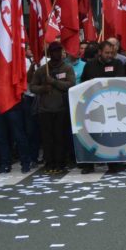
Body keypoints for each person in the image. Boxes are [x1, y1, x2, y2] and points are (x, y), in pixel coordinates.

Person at [79, 41, 126, 174]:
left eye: (111, 53)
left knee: (112, 136)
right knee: (92, 135)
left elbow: (120, 80)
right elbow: (83, 82)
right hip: (93, 105)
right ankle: (89, 164)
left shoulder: (117, 64)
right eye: (107, 52)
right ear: (100, 52)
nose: (109, 55)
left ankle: (114, 164)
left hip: (112, 106)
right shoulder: (90, 65)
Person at [29, 42, 75, 174]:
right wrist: (43, 88)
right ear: (49, 54)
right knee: (47, 138)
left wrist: (54, 82)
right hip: (45, 109)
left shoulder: (67, 68)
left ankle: (61, 162)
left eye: (59, 51)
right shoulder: (42, 70)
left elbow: (71, 84)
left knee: (60, 137)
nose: (57, 54)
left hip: (61, 108)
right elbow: (32, 87)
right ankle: (49, 162)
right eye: (54, 51)